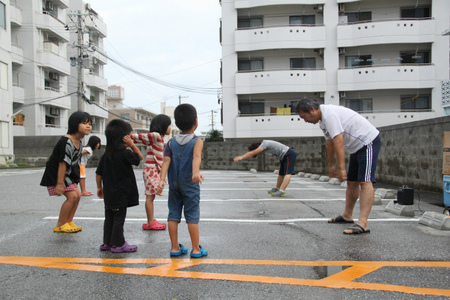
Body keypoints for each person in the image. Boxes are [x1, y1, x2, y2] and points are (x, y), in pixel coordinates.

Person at [295, 98, 381, 234]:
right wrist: (331, 166)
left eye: (304, 117)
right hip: (355, 147)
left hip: (367, 141)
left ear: (312, 109)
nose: (305, 120)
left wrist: (341, 168)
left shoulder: (329, 115)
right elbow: (329, 143)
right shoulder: (322, 121)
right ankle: (347, 215)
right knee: (352, 182)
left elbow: (338, 141)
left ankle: (363, 223)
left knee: (365, 181)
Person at [157, 104, 207, 258]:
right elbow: (196, 157)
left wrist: (161, 181)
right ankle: (196, 249)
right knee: (192, 216)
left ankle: (175, 247)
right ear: (196, 121)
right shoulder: (197, 141)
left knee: (173, 214)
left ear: (176, 124)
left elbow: (165, 161)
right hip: (190, 183)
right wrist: (195, 173)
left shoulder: (171, 142)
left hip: (174, 184)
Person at [40, 111, 92, 233]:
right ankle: (60, 224)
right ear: (74, 124)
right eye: (84, 123)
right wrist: (59, 184)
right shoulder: (66, 141)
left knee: (77, 196)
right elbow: (62, 163)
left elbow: (75, 163)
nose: (88, 126)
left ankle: (68, 221)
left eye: (90, 123)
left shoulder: (79, 142)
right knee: (72, 196)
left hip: (69, 175)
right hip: (58, 174)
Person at [96, 119, 143, 253]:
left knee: (109, 217)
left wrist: (99, 187)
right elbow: (139, 158)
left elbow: (98, 173)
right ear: (123, 139)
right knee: (118, 219)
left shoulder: (105, 156)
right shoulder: (126, 154)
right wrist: (132, 145)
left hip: (109, 193)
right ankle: (118, 244)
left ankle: (107, 242)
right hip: (121, 193)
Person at [130, 114, 171, 231]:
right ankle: (150, 222)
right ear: (163, 126)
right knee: (150, 197)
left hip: (153, 170)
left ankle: (150, 221)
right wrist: (128, 137)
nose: (170, 128)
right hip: (151, 170)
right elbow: (138, 137)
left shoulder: (158, 138)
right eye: (169, 125)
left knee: (151, 196)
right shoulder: (156, 136)